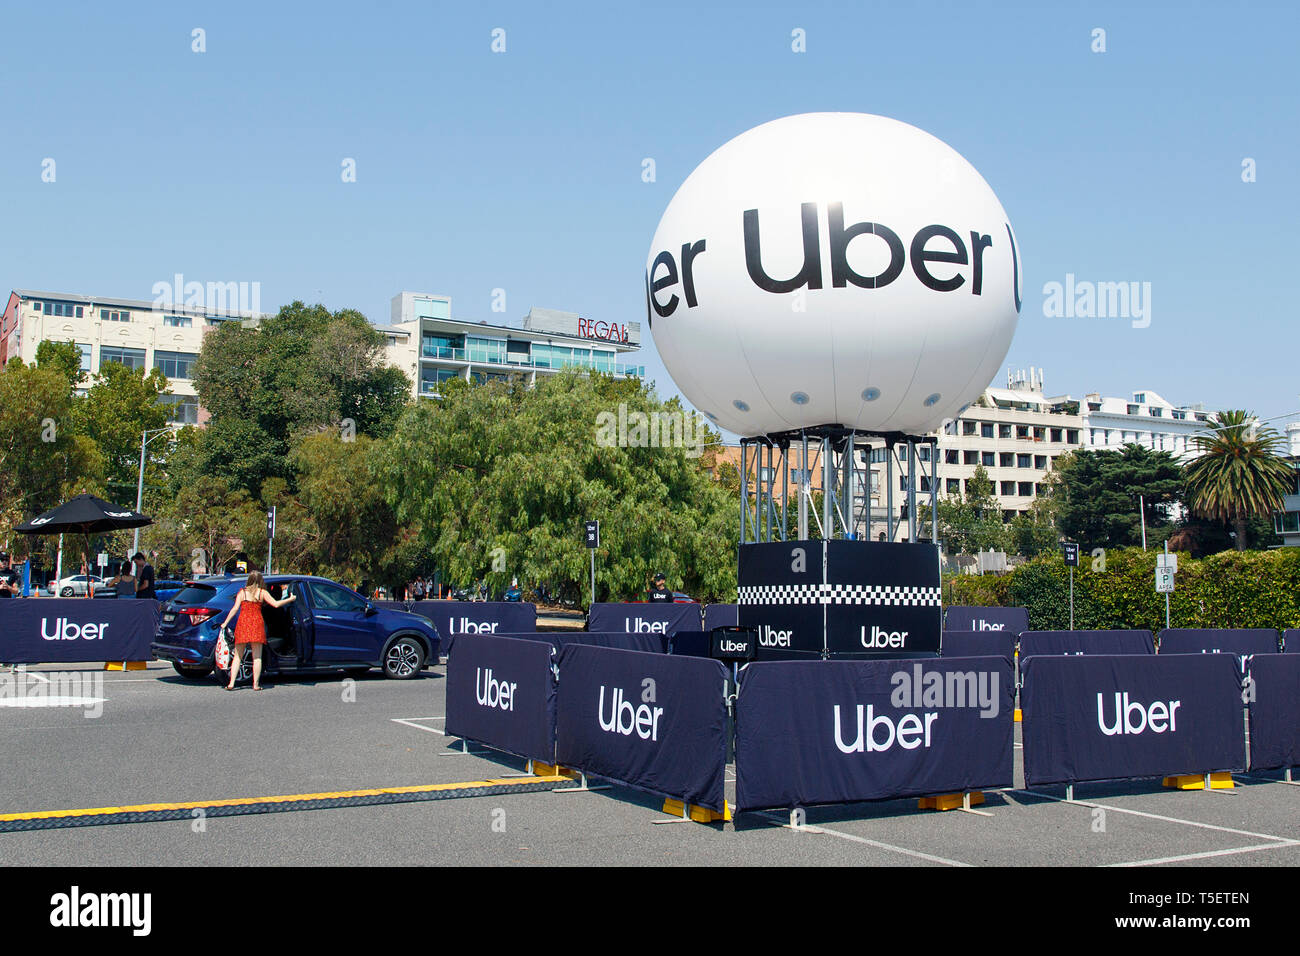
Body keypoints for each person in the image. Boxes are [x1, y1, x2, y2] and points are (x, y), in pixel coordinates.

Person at [218, 571, 296, 691]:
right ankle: (256, 684)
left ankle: (231, 683)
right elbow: (275, 604)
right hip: (256, 624)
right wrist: (290, 599)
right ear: (260, 581)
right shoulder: (262, 593)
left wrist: (225, 623)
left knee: (238, 656)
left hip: (243, 623)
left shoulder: (242, 593)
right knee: (257, 657)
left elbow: (234, 609)